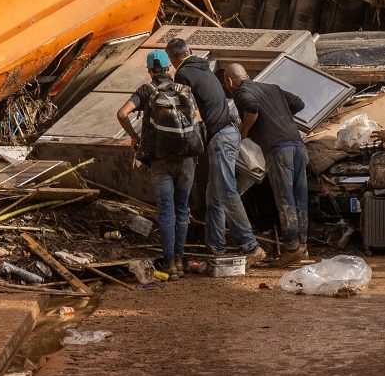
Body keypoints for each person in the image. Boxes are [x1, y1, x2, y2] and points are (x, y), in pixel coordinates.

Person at [167, 38, 261, 262]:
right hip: (229, 132)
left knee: (227, 191)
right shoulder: (205, 67)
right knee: (214, 196)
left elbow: (188, 111)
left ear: (172, 60)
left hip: (219, 137)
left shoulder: (182, 75)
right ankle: (216, 247)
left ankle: (251, 246)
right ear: (190, 50)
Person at [116, 50, 205, 277]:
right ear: (169, 69)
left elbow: (122, 113)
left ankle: (169, 265)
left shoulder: (147, 90)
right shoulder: (185, 90)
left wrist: (135, 137)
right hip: (186, 159)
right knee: (182, 210)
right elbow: (198, 120)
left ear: (150, 71)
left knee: (166, 211)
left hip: (160, 160)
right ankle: (179, 259)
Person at [223, 62, 310, 261]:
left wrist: (244, 131)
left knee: (284, 198)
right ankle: (303, 246)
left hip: (279, 150)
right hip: (297, 145)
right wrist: (279, 120)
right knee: (300, 199)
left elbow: (252, 108)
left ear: (229, 81)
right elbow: (298, 103)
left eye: (226, 83)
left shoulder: (241, 91)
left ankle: (291, 248)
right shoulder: (272, 88)